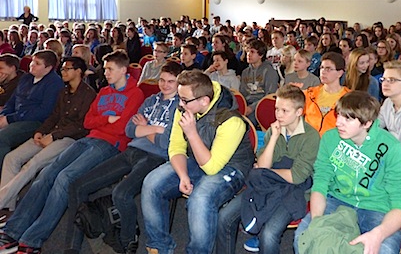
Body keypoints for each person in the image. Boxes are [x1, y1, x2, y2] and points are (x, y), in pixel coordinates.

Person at [0, 50, 143, 254]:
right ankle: (13, 230)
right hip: (88, 138)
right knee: (46, 174)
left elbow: (121, 129)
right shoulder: (104, 92)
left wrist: (103, 121)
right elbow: (87, 121)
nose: (106, 73)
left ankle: (33, 239)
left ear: (123, 70)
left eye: (110, 69)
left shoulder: (135, 93)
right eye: (106, 68)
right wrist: (107, 119)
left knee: (65, 178)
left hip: (109, 145)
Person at [64, 62, 183, 254]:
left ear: (179, 83)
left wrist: (144, 128)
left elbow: (166, 143)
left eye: (171, 81)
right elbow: (129, 129)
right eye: (162, 80)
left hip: (156, 157)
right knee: (77, 185)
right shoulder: (151, 100)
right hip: (132, 150)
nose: (165, 85)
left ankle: (128, 239)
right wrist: (156, 128)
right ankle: (72, 247)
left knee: (121, 193)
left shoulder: (181, 106)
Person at [141, 70, 254, 254]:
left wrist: (192, 133)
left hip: (232, 168)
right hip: (199, 159)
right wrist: (183, 175)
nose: (180, 103)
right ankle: (159, 246)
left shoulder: (232, 121)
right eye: (179, 97)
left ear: (204, 101)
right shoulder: (185, 108)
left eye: (185, 100)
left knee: (200, 199)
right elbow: (176, 147)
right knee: (152, 183)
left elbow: (211, 168)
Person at [294, 91, 401, 254]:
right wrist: (317, 224)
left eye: (347, 119)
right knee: (303, 239)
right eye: (339, 115)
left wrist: (378, 234)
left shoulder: (391, 148)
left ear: (367, 123)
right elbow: (320, 182)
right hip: (337, 200)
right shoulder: (330, 138)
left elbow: (400, 205)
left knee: (383, 250)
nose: (338, 123)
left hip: (377, 208)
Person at [217, 85, 320, 254]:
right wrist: (273, 138)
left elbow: (297, 176)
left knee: (269, 234)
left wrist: (266, 173)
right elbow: (263, 165)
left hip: (294, 192)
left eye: (284, 111)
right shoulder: (275, 130)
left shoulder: (311, 137)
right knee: (225, 217)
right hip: (268, 186)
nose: (278, 114)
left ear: (299, 112)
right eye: (277, 109)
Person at [0, 57, 96, 212]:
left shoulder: (88, 95)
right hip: (50, 133)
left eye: (67, 69)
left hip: (68, 138)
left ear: (78, 71)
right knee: (12, 158)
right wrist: (41, 131)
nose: (62, 72)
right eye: (62, 69)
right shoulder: (64, 91)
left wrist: (53, 136)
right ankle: (7, 206)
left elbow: (80, 126)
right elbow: (53, 116)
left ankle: (1, 201)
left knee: (33, 164)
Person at [0, 50, 64, 168]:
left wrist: (10, 119)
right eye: (32, 62)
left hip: (34, 122)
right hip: (17, 116)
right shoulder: (27, 77)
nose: (32, 65)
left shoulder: (54, 84)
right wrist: (3, 115)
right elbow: (13, 100)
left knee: (2, 137)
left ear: (48, 68)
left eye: (37, 63)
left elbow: (44, 111)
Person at [303, 52, 350, 136]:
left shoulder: (349, 97)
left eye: (328, 69)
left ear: (340, 73)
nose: (323, 72)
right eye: (322, 68)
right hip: (309, 142)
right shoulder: (309, 94)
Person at [240, 39, 279, 126]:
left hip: (261, 105)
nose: (248, 54)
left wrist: (252, 107)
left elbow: (270, 94)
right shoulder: (245, 72)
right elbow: (242, 92)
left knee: (246, 123)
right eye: (247, 52)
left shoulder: (269, 71)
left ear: (261, 55)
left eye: (252, 52)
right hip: (247, 104)